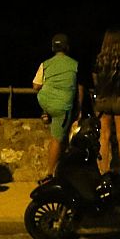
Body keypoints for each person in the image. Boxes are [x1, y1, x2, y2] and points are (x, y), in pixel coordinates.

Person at [33, 34, 83, 181]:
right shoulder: (74, 65)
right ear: (67, 47)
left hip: (45, 101)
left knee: (49, 107)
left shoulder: (45, 64)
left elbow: (36, 86)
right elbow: (79, 87)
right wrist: (79, 108)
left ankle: (45, 113)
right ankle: (50, 174)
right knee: (58, 139)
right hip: (62, 107)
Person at [93, 28, 120, 173]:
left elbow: (96, 82)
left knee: (104, 137)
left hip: (103, 100)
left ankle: (104, 172)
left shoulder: (100, 60)